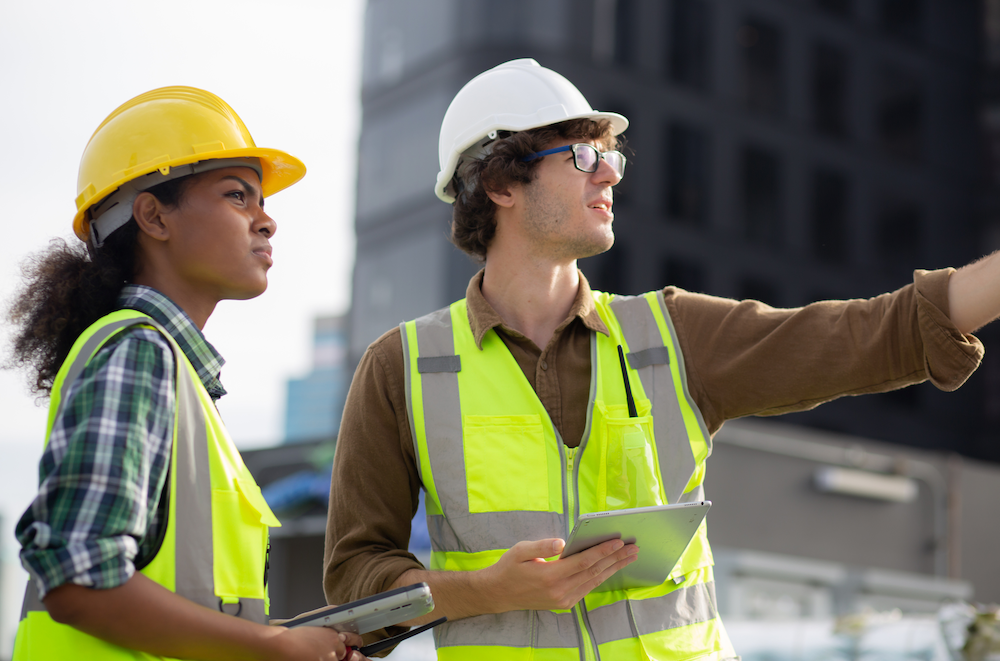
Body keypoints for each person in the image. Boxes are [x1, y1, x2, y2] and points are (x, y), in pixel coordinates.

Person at [323, 58, 995, 660]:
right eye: (583, 156)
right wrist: (485, 590)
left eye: (612, 154)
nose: (611, 170)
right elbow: (358, 582)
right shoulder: (401, 368)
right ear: (500, 182)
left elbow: (866, 334)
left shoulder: (672, 333)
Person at [9, 87, 365, 661]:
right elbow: (78, 576)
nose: (266, 220)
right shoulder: (139, 355)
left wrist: (288, 641)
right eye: (237, 196)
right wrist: (271, 647)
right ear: (153, 215)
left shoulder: (175, 374)